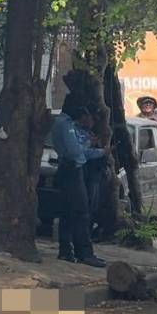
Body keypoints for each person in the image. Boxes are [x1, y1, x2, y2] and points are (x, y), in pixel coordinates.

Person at [50, 106, 108, 267]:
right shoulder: (65, 124)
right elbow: (75, 151)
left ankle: (66, 251)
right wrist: (89, 143)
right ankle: (84, 253)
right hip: (72, 170)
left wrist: (100, 151)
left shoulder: (66, 123)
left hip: (73, 169)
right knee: (81, 212)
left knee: (68, 212)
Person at [76, 109, 108, 237]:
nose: (92, 122)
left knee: (93, 204)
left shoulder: (90, 133)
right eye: (90, 119)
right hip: (86, 171)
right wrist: (101, 151)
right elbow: (82, 152)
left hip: (96, 172)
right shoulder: (78, 132)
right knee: (86, 204)